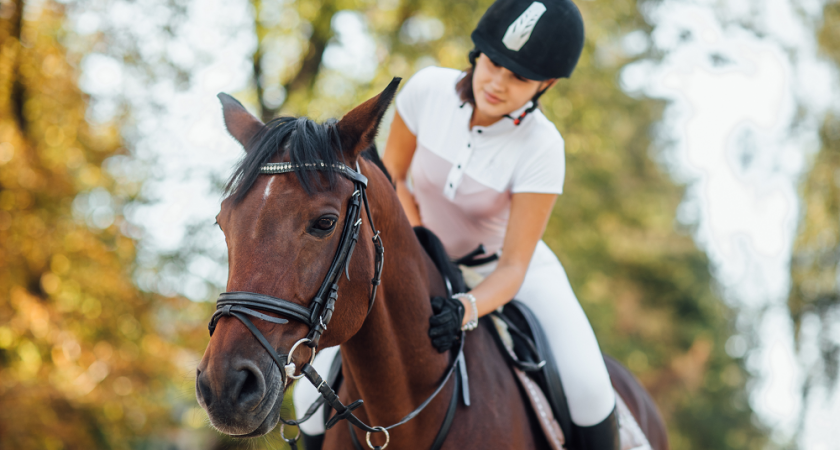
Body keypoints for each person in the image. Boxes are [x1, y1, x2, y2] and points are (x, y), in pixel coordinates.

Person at [295, 0, 619, 448]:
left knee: (589, 388)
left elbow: (512, 267)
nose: (497, 83)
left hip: (499, 271)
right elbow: (395, 180)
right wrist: (421, 247)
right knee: (306, 395)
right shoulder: (428, 89)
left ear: (545, 84)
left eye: (519, 77)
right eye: (494, 63)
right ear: (478, 54)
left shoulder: (543, 148)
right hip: (412, 253)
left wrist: (465, 307)